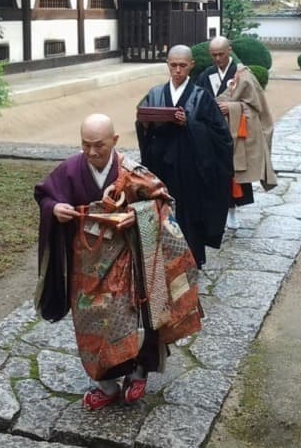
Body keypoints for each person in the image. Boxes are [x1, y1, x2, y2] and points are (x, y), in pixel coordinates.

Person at [35, 114, 203, 411]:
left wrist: (138, 216)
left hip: (130, 263)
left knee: (138, 319)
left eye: (99, 145)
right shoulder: (71, 169)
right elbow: (46, 194)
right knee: (92, 326)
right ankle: (107, 385)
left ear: (114, 141)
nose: (91, 152)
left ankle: (139, 372)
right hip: (86, 266)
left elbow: (163, 201)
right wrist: (55, 208)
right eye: (85, 145)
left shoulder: (130, 171)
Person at [136, 44, 234, 267]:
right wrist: (145, 124)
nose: (178, 70)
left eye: (182, 65)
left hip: (191, 168)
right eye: (173, 65)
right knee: (161, 210)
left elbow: (220, 136)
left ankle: (190, 261)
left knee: (189, 215)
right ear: (167, 65)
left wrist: (189, 124)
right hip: (161, 166)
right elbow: (144, 126)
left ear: (192, 65)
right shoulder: (155, 93)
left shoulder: (202, 96)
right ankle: (161, 260)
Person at [195, 36, 278, 229]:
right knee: (214, 172)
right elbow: (198, 100)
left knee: (234, 172)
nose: (217, 59)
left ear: (229, 50)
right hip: (212, 131)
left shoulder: (243, 75)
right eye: (213, 55)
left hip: (236, 132)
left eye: (221, 54)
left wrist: (233, 107)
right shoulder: (206, 74)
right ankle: (218, 210)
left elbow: (256, 107)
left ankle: (233, 210)